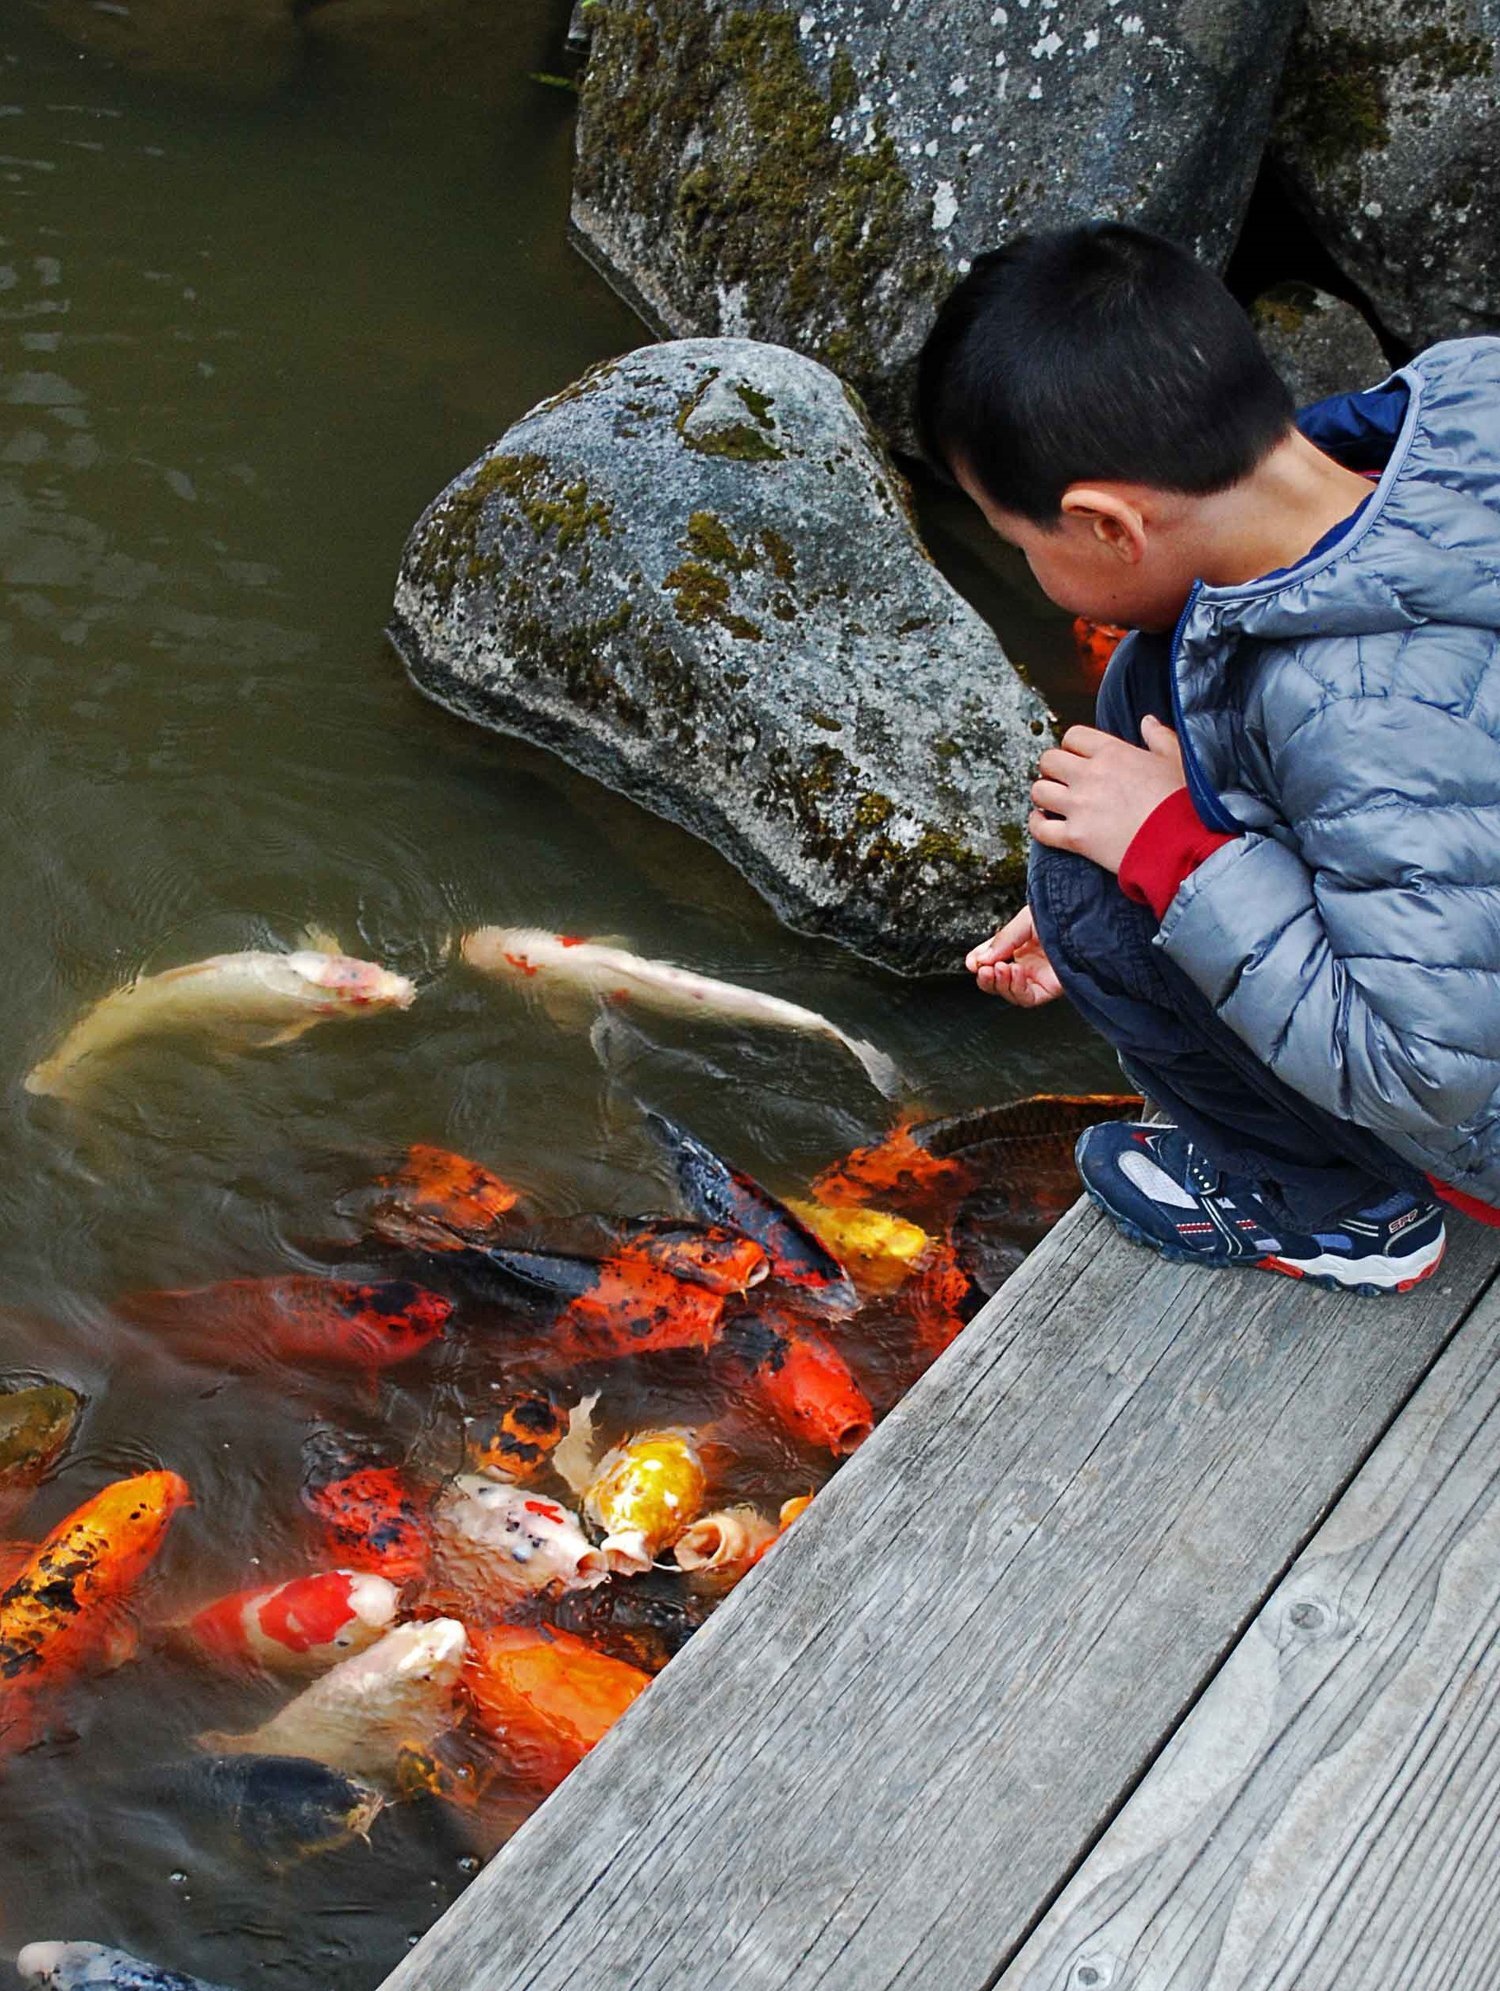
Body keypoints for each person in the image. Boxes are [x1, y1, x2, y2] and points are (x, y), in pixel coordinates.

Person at [915, 221, 1500, 1295]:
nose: (1029, 567)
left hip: (1465, 1095)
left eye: (1022, 545)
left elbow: (1424, 1073)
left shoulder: (1360, 716)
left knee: (1081, 877)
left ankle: (1345, 1212)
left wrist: (1167, 856)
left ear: (1104, 524)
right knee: (1161, 672)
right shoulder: (1467, 398)